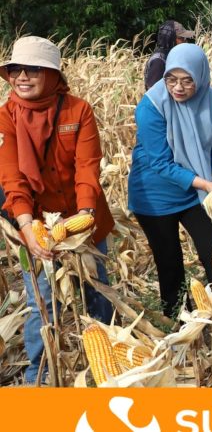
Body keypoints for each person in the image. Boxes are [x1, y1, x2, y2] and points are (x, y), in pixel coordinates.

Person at [0, 36, 114, 383]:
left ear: (51, 74)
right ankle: (40, 373)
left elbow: (86, 167)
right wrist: (26, 229)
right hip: (31, 222)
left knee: (98, 291)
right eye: (17, 69)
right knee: (42, 301)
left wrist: (85, 215)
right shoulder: (5, 117)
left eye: (33, 69)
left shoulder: (78, 110)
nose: (22, 75)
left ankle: (111, 360)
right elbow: (12, 179)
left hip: (83, 216)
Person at [128, 44, 212, 318]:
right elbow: (160, 164)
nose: (178, 88)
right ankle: (180, 323)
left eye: (187, 80)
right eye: (171, 79)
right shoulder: (151, 106)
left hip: (196, 191)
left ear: (201, 76)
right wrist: (206, 184)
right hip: (155, 194)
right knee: (170, 262)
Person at [144, 20, 195, 90]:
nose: (185, 41)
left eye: (185, 38)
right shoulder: (159, 61)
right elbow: (153, 95)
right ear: (171, 39)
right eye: (181, 38)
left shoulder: (169, 57)